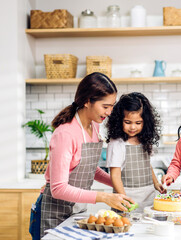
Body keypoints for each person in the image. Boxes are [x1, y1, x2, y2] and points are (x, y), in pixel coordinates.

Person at [37, 72, 134, 238]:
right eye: (105, 106)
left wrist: (117, 181)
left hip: (77, 210)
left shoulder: (94, 127)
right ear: (87, 101)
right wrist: (103, 197)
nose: (110, 112)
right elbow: (58, 188)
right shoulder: (65, 133)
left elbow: (88, 168)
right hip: (56, 213)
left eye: (112, 106)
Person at [106, 92, 165, 213]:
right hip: (127, 200)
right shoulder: (117, 144)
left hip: (148, 199)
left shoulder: (144, 140)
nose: (133, 127)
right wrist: (124, 199)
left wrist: (156, 183)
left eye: (138, 123)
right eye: (128, 122)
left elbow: (147, 165)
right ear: (119, 120)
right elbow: (115, 176)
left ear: (146, 122)